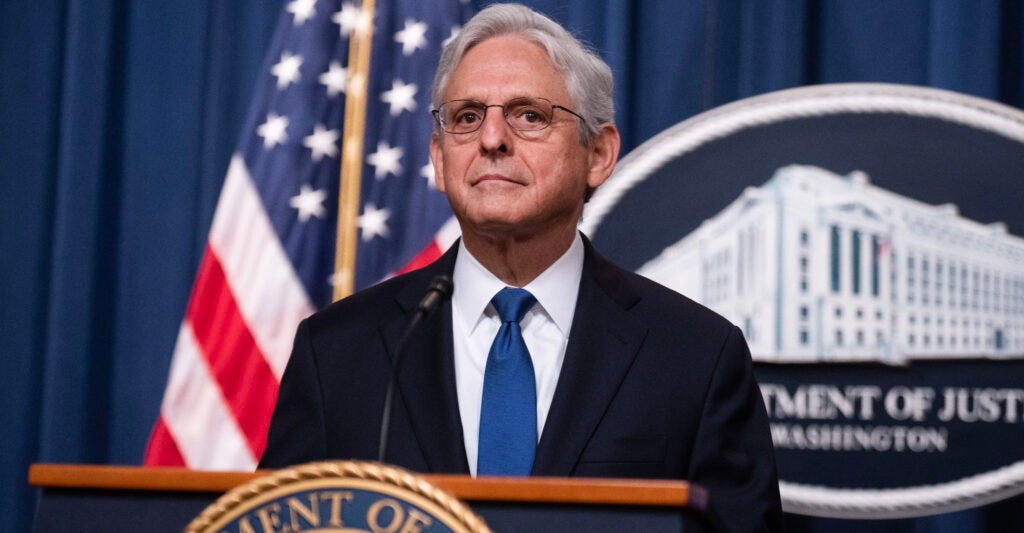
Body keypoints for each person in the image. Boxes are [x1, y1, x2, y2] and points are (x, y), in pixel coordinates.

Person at [261, 4, 781, 530]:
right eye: (467, 117)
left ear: (598, 153)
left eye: (529, 115)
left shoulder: (696, 357)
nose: (492, 139)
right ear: (439, 157)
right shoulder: (336, 353)